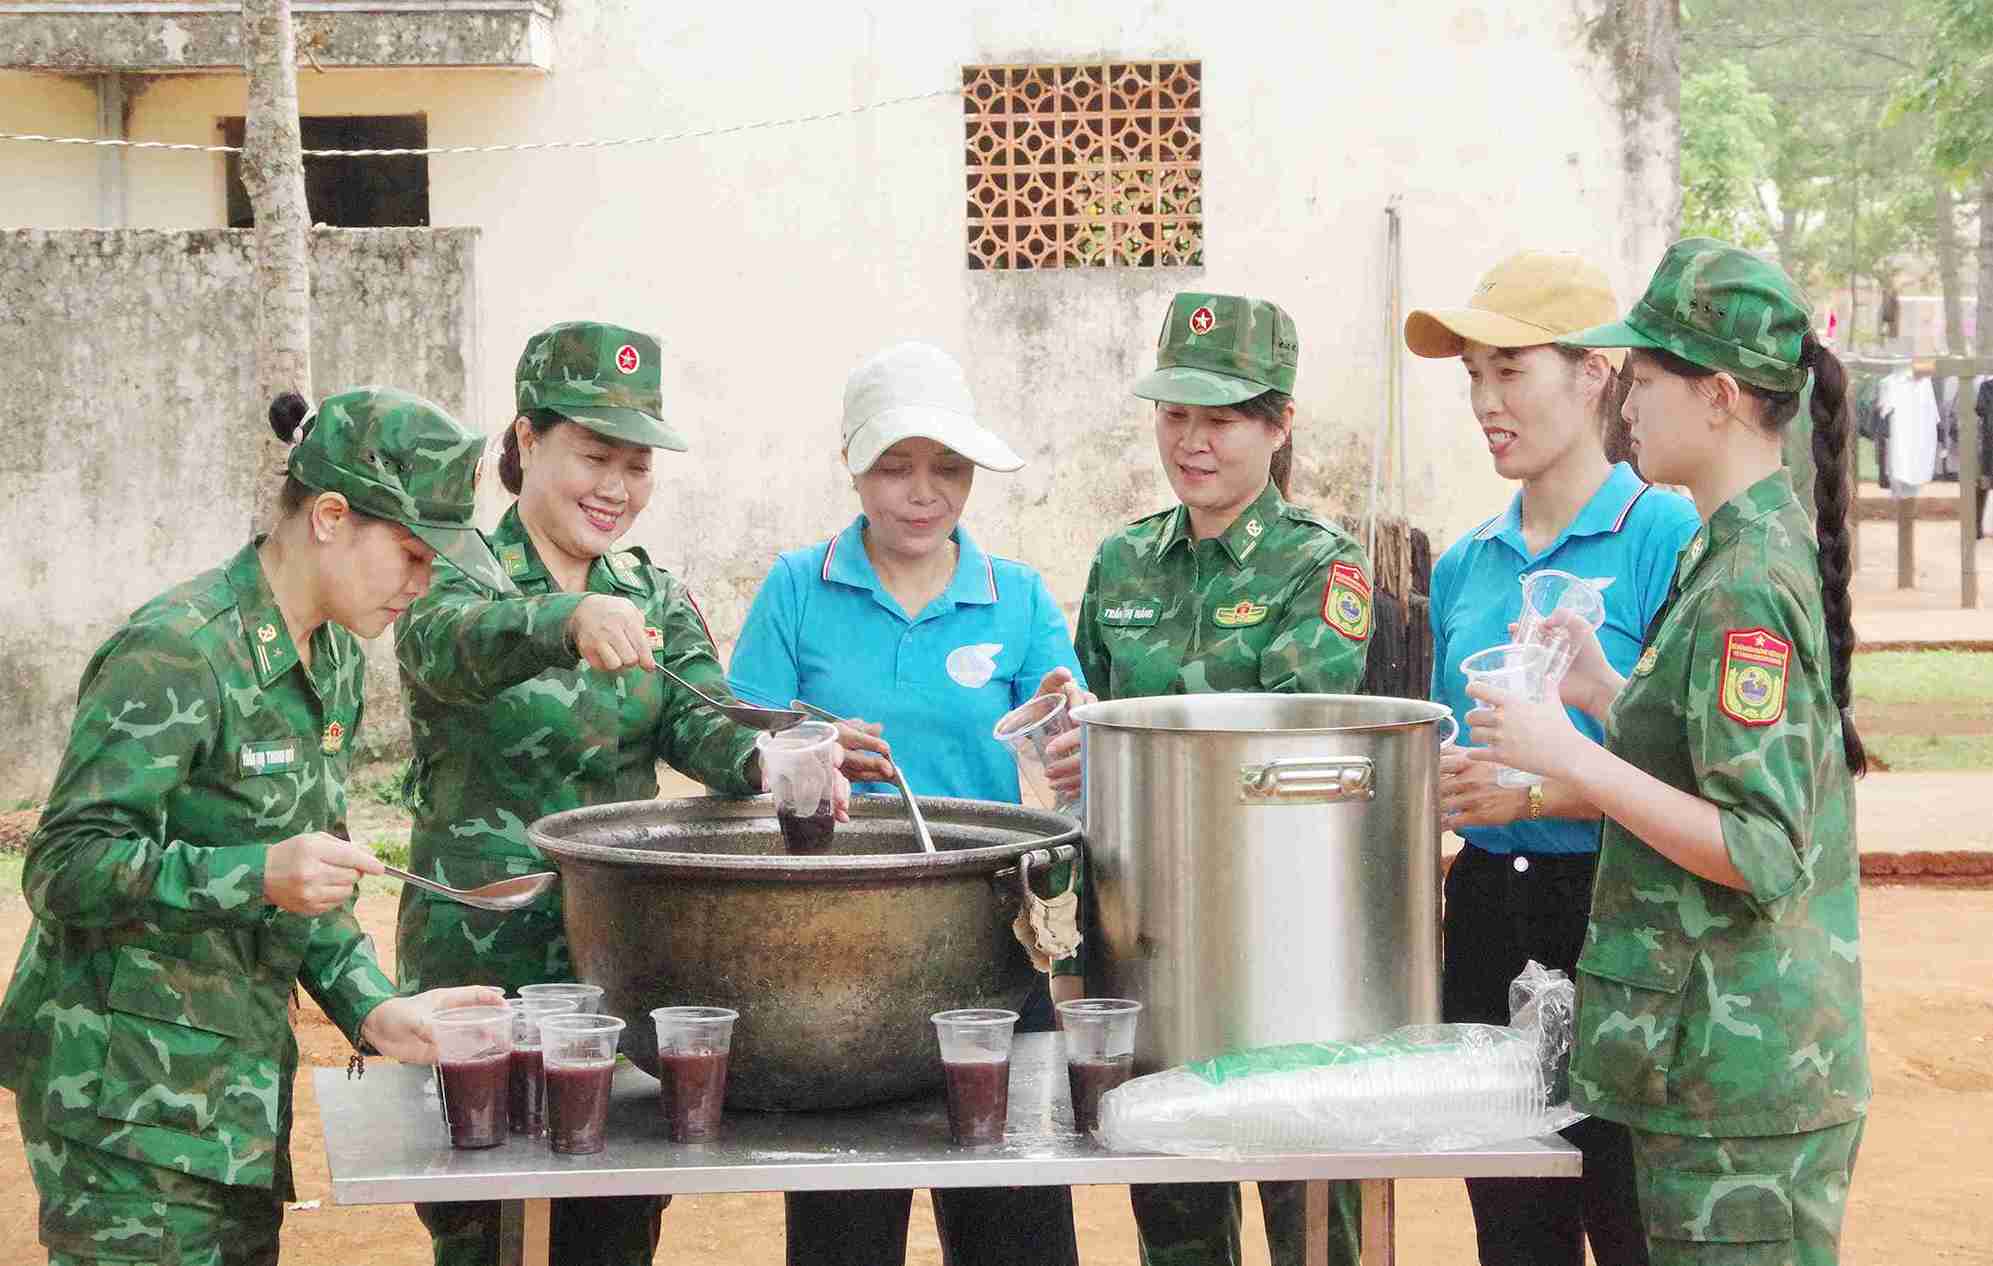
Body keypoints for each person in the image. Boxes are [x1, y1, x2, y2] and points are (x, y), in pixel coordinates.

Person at [0, 387, 509, 1266]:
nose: (422, 587)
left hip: (230, 1104)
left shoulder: (335, 656)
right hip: (122, 1107)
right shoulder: (179, 650)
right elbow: (62, 866)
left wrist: (372, 1007)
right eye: (413, 555)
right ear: (329, 516)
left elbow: (317, 876)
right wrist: (256, 873)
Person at [392, 321, 855, 1266]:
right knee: (483, 1221)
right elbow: (440, 654)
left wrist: (770, 763)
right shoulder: (449, 572)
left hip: (617, 956)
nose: (615, 489)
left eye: (636, 465)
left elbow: (698, 713)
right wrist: (564, 616)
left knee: (613, 1212)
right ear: (525, 443)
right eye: (592, 456)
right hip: (482, 949)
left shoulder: (651, 590)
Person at [1466, 238, 1870, 1265]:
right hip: (1704, 1062)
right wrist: (1601, 688)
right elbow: (1700, 749)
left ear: (1720, 397)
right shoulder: (1722, 547)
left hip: (1740, 1081)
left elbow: (1760, 846)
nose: (1625, 403)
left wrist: (1569, 752)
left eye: (1642, 378)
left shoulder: (1743, 581)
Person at [728, 340, 1086, 1266]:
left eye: (947, 468)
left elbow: (1065, 758)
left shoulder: (1018, 599)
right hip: (831, 951)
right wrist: (804, 751)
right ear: (850, 464)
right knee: (845, 1223)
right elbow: (737, 759)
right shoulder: (794, 590)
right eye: (894, 467)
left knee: (1016, 1218)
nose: (923, 493)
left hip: (990, 939)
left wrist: (1068, 733)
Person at [1062, 292, 1371, 1266]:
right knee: (1175, 1208)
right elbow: (1095, 740)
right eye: (1174, 414)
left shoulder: (1322, 569)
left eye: (1224, 417)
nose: (1192, 441)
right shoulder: (1121, 566)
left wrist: (1125, 730)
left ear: (1280, 425)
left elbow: (1288, 726)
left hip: (1293, 941)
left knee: (1311, 1211)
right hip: (1151, 936)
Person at [1404, 250, 1699, 1265]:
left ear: (1592, 377)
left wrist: (1539, 784)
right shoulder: (1462, 565)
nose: (1485, 400)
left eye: (1510, 370)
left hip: (1620, 916)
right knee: (1514, 1225)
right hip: (1489, 912)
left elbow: (1698, 773)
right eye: (1472, 376)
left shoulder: (1665, 533)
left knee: (1630, 1216)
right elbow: (1459, 759)